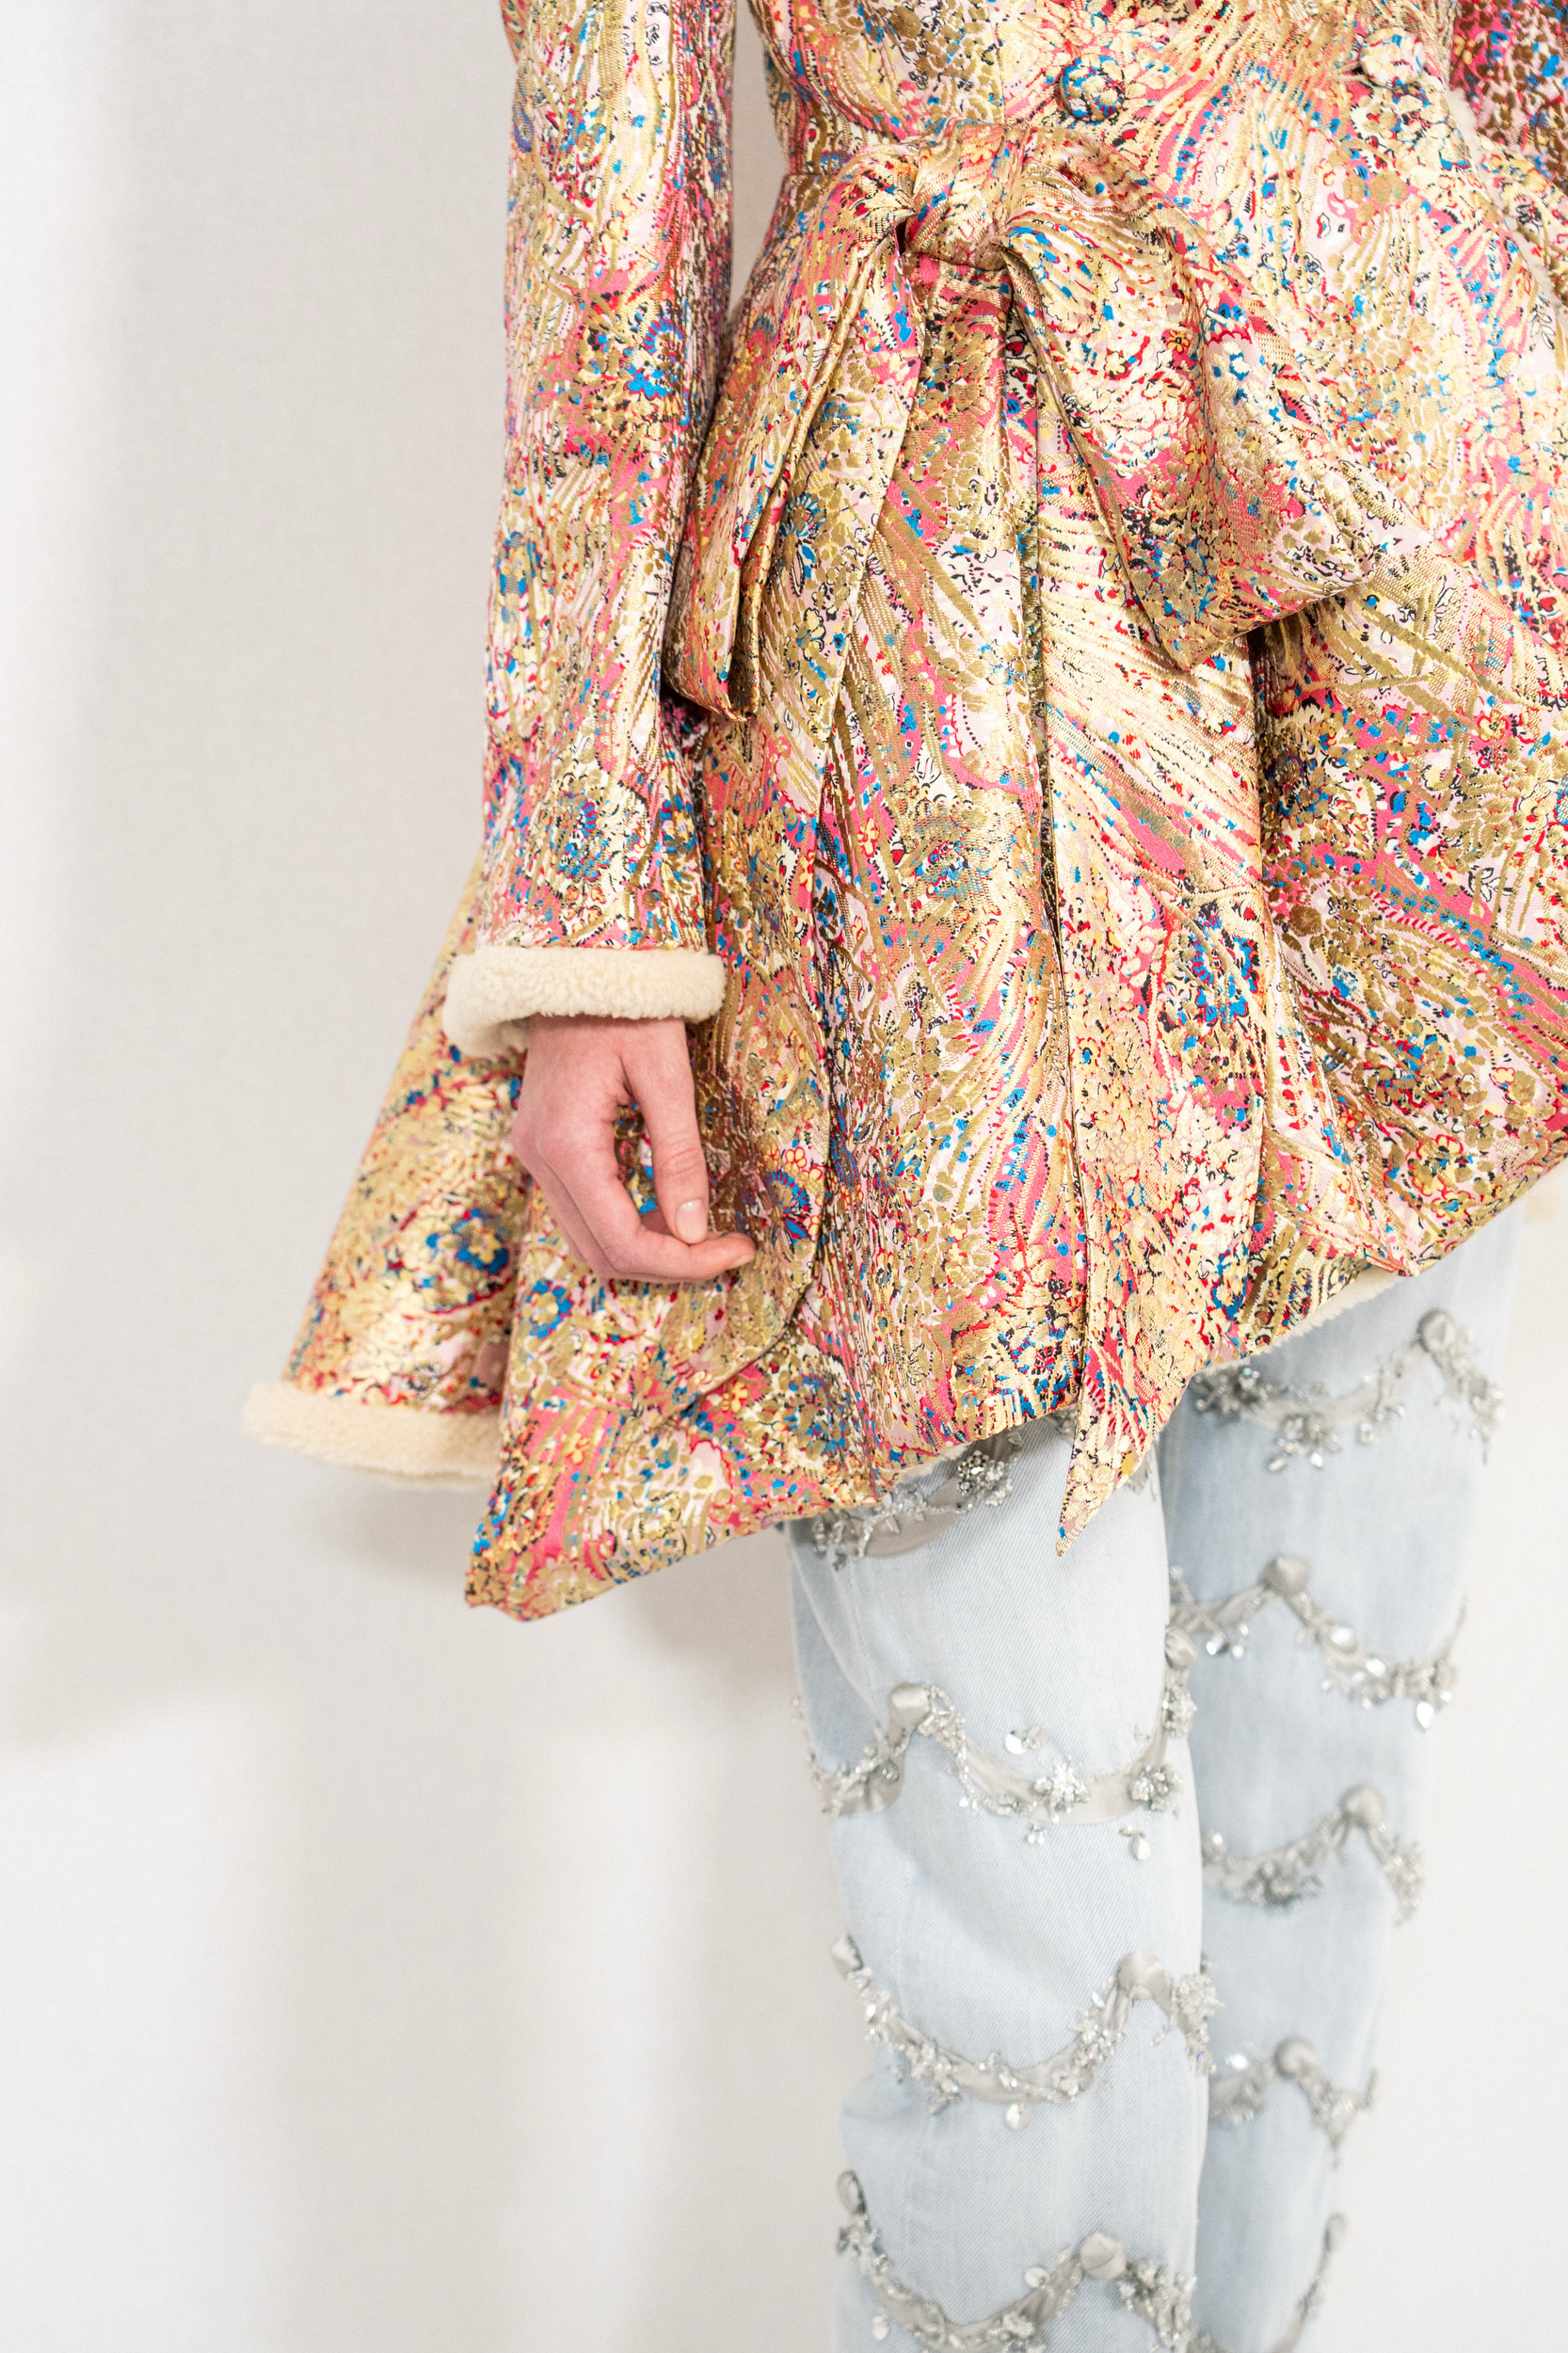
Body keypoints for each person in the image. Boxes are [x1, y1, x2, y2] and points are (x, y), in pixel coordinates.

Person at [248, 0, 1568, 2341]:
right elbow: (611, 242)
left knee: (1316, 1795)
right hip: (922, 686)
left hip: (1415, 629)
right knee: (1028, 1936)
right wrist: (588, 921)